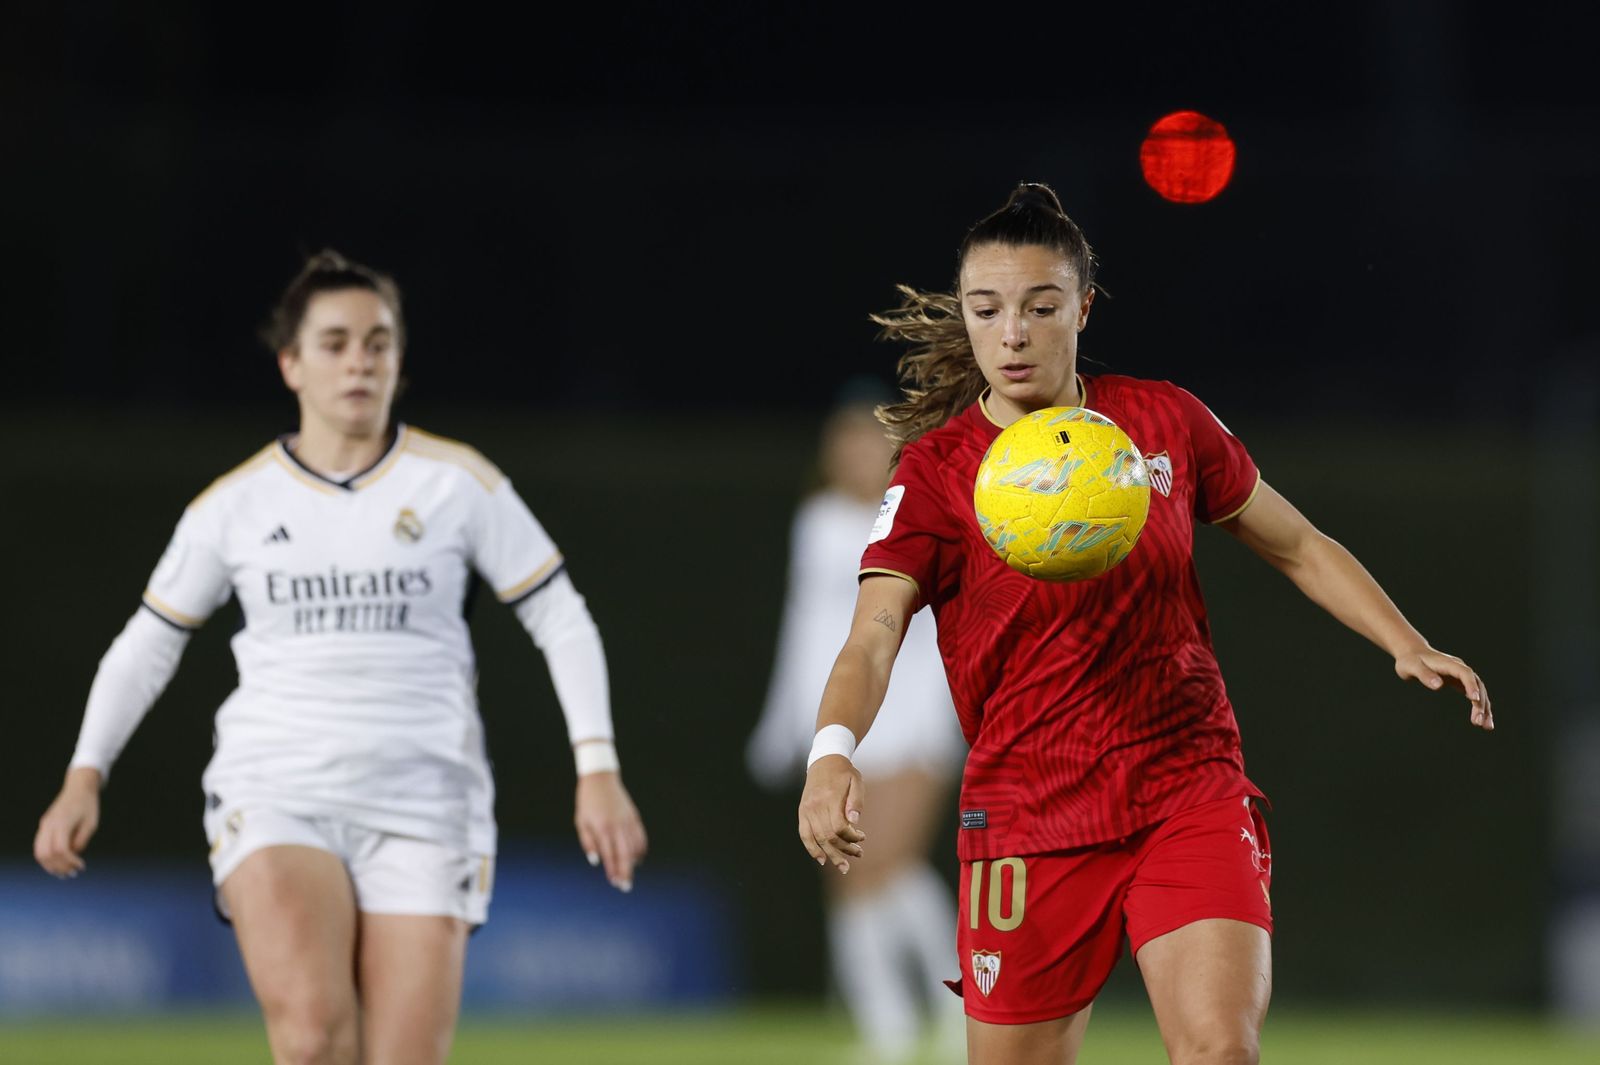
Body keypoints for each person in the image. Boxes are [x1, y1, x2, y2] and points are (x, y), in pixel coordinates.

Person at [797, 183, 1492, 1065]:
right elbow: (872, 634)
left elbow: (1299, 544)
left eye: (1041, 306)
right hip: (1029, 817)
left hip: (1186, 788)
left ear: (1083, 308)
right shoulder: (936, 474)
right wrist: (831, 752)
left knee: (1218, 1049)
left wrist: (1405, 638)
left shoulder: (1165, 422)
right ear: (966, 315)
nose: (1012, 333)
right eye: (987, 308)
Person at [33, 250, 648, 1065]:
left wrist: (596, 765)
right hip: (278, 786)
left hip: (427, 801)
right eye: (334, 342)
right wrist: (86, 771)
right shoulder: (235, 503)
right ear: (290, 363)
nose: (359, 359)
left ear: (399, 359)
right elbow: (150, 640)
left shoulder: (457, 484)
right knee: (317, 1037)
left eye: (378, 341)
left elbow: (559, 613)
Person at [748, 386, 967, 1064]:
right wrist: (789, 724)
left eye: (871, 440)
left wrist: (944, 720)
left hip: (914, 718)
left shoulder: (922, 512)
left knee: (890, 865)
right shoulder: (814, 523)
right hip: (844, 725)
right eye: (846, 441)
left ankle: (964, 1010)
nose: (857, 454)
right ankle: (889, 1028)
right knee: (848, 872)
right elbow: (807, 631)